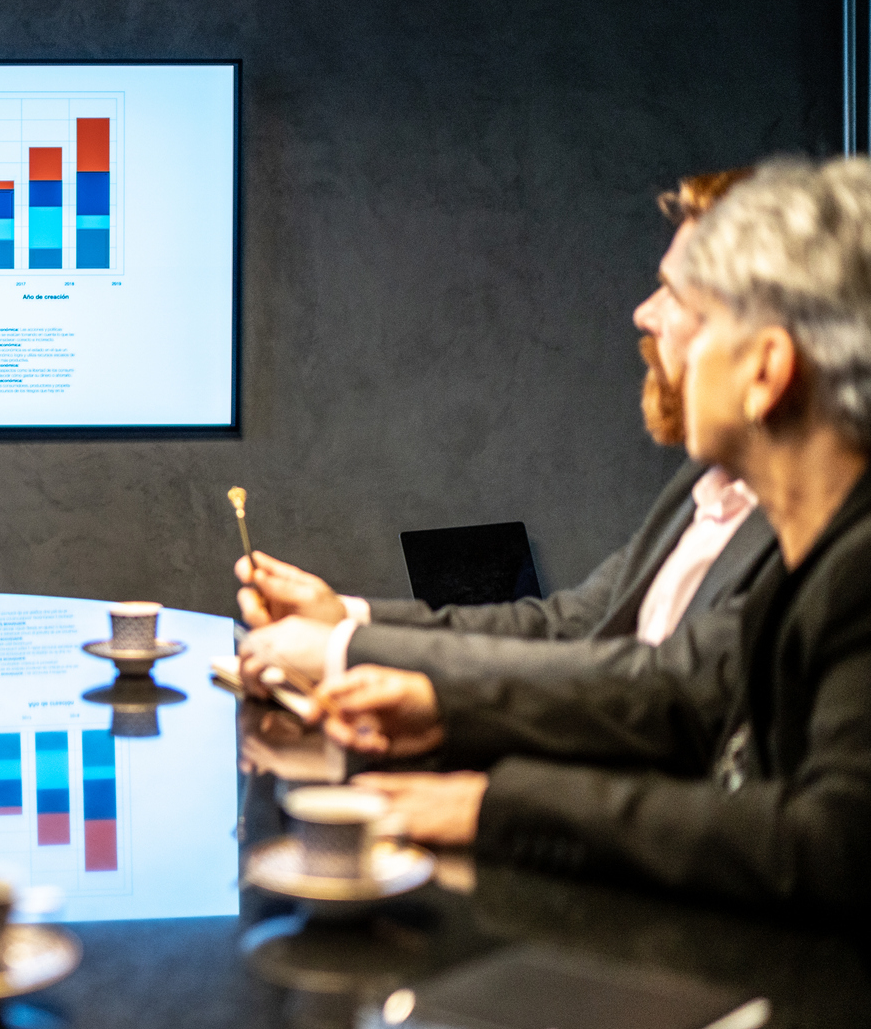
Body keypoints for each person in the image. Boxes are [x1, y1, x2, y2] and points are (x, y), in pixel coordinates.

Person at [310, 156, 871, 911]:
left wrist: (494, 806)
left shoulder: (853, 567)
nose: (652, 323)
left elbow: (829, 849)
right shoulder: (814, 553)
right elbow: (686, 696)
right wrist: (446, 714)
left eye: (693, 312)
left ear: (766, 370)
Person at [237, 169, 775, 708]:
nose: (643, 313)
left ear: (767, 355)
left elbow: (654, 689)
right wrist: (347, 617)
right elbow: (569, 626)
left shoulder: (813, 541)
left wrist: (347, 652)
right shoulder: (701, 486)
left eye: (673, 294)